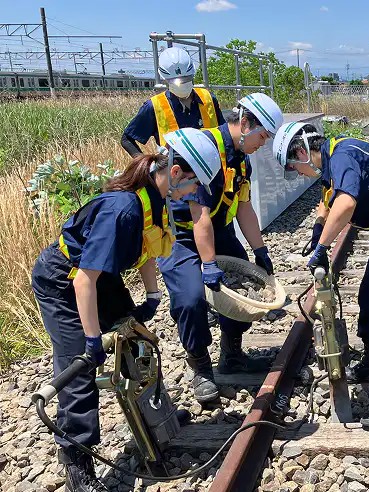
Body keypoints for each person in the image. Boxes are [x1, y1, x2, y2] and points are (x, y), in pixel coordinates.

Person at [31, 128, 221, 492]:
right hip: (62, 280)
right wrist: (90, 340)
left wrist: (150, 297)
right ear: (177, 172)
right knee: (79, 370)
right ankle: (77, 463)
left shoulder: (153, 198)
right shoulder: (123, 209)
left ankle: (156, 420)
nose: (193, 194)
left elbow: (149, 249)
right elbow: (82, 282)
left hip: (96, 277)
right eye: (194, 185)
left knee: (137, 341)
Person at [272, 121, 369, 429]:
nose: (297, 173)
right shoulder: (334, 158)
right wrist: (317, 229)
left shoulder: (343, 154)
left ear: (301, 152)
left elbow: (347, 202)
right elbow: (329, 200)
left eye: (293, 166)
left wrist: (323, 246)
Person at [158, 93, 284, 403]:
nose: (263, 144)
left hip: (219, 230)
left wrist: (260, 250)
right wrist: (209, 264)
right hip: (182, 236)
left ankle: (232, 354)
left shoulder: (241, 159)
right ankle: (200, 366)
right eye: (263, 136)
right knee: (189, 298)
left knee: (244, 288)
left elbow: (243, 207)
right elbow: (199, 214)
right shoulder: (204, 150)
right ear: (245, 124)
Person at [121, 47, 224, 157]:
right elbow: (127, 139)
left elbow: (225, 133)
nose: (182, 84)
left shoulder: (208, 99)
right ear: (165, 79)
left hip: (212, 167)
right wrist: (145, 164)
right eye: (175, 81)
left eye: (186, 79)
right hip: (174, 170)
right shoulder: (154, 106)